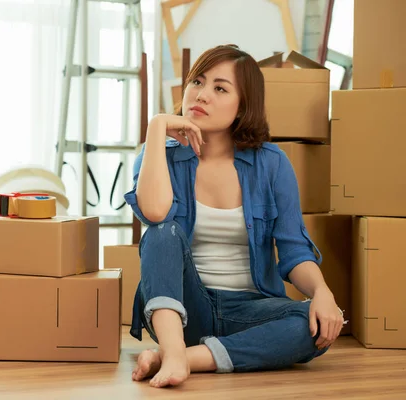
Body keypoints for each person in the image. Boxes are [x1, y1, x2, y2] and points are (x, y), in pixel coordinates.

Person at [123, 44, 344, 388]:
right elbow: (154, 216)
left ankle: (180, 358)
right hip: (183, 310)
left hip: (251, 310)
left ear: (243, 106)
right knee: (162, 232)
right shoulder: (159, 156)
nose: (202, 95)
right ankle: (173, 346)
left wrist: (323, 293)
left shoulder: (271, 164)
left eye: (220, 88)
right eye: (197, 82)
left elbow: (294, 250)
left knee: (311, 325)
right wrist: (156, 128)